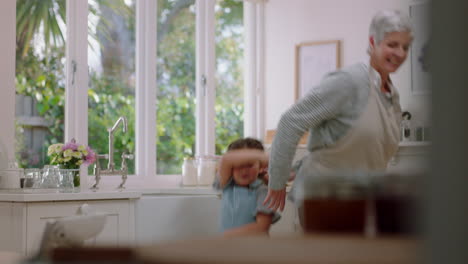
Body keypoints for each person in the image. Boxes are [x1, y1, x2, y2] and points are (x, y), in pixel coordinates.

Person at [263, 10, 414, 217]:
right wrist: (277, 179)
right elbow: (291, 122)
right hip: (324, 200)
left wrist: (299, 166)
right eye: (392, 44)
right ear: (373, 41)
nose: (400, 53)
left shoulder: (391, 96)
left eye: (405, 47)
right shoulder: (349, 82)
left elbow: (353, 147)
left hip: (361, 201)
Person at [213, 137, 280, 236]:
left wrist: (228, 235)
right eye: (239, 165)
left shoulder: (263, 191)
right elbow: (226, 159)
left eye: (249, 165)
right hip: (229, 247)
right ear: (231, 166)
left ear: (261, 167)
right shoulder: (227, 185)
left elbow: (262, 227)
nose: (244, 171)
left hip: (254, 248)